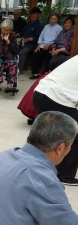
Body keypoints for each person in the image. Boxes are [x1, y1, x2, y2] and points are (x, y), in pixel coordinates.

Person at [33, 55, 78, 186]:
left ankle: (39, 166)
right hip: (56, 97)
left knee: (50, 135)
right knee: (73, 135)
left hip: (42, 93)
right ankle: (64, 175)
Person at [29, 12, 62, 79]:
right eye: (51, 19)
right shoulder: (46, 26)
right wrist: (38, 45)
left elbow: (58, 39)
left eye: (55, 19)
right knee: (35, 55)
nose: (53, 20)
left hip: (52, 46)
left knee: (48, 57)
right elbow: (41, 36)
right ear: (49, 19)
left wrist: (50, 44)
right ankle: (35, 73)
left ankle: (46, 74)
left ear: (57, 20)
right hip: (42, 45)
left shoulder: (59, 28)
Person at [17, 6, 43, 74]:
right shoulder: (28, 24)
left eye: (33, 14)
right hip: (23, 42)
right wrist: (15, 35)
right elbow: (22, 33)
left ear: (38, 15)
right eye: (31, 14)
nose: (32, 16)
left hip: (32, 44)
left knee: (22, 53)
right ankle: (13, 67)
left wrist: (29, 39)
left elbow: (38, 38)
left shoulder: (39, 25)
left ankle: (20, 69)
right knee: (14, 49)